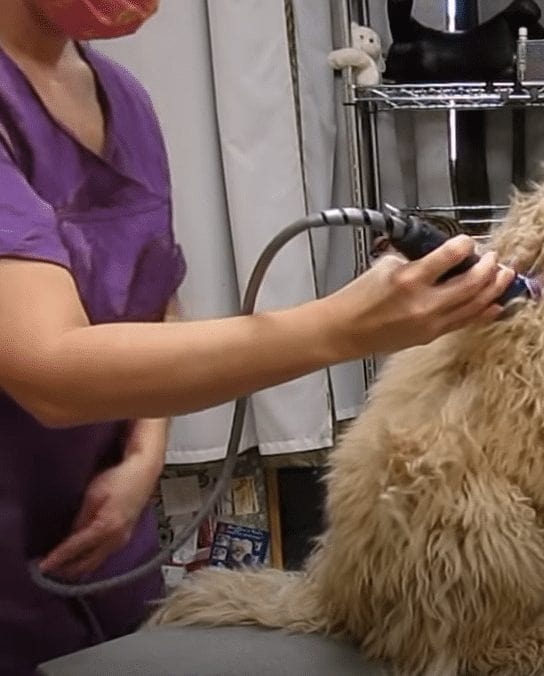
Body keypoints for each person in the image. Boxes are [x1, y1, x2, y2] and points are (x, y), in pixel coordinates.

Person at [0, 1, 516, 673]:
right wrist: (342, 327)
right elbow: (49, 371)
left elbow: (151, 293)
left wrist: (144, 452)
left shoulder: (121, 98)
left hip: (101, 539)